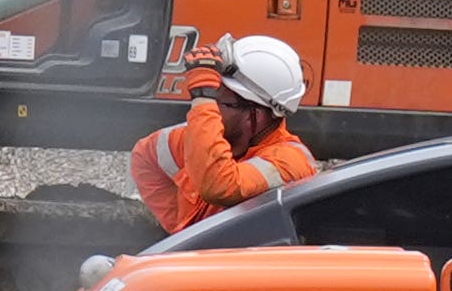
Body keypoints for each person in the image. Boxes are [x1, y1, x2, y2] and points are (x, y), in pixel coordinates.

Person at [133, 33, 319, 229]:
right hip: (204, 257)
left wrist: (203, 97)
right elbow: (145, 156)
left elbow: (221, 186)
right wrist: (181, 232)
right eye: (210, 100)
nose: (210, 109)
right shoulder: (205, 138)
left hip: (244, 259)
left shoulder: (291, 161)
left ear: (256, 112)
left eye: (218, 101)